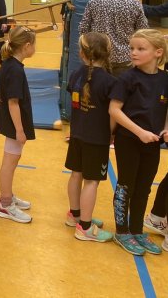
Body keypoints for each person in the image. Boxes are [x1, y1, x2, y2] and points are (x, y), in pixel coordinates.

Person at [109, 29, 168, 256]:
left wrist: (165, 128)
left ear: (158, 52)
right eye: (132, 48)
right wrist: (139, 131)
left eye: (140, 49)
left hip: (152, 143)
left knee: (144, 187)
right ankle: (122, 231)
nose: (133, 52)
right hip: (129, 140)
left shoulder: (164, 79)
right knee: (126, 186)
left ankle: (136, 229)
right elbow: (114, 110)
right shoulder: (127, 78)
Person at [64, 32, 115, 242]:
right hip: (96, 139)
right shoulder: (110, 82)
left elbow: (74, 104)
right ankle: (84, 227)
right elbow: (112, 114)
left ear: (82, 53)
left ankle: (75, 215)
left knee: (76, 174)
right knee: (92, 181)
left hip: (77, 134)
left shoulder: (76, 74)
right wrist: (111, 134)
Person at [0, 26, 36, 223]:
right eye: (34, 44)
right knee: (9, 163)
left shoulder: (11, 64)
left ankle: (7, 195)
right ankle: (5, 203)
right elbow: (13, 102)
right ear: (26, 46)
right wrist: (19, 130)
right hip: (13, 123)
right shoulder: (14, 70)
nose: (35, 48)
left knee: (12, 160)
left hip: (11, 121)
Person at [79, 0, 148, 77]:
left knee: (98, 87)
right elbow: (143, 32)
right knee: (121, 88)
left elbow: (83, 28)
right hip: (125, 59)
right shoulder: (134, 2)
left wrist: (87, 52)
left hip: (98, 56)